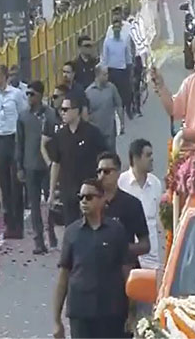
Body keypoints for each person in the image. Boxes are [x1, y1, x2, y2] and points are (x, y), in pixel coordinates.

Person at [53, 179, 129, 339]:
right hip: (81, 313)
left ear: (102, 199)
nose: (84, 201)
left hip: (111, 313)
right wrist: (56, 320)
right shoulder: (72, 233)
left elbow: (127, 273)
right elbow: (64, 276)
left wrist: (133, 312)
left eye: (89, 197)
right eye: (81, 197)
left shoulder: (117, 231)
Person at [49, 94, 107, 226]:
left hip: (90, 191)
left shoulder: (93, 133)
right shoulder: (60, 135)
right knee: (71, 228)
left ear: (76, 111)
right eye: (61, 110)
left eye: (65, 109)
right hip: (68, 191)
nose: (62, 113)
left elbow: (104, 159)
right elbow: (56, 163)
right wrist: (52, 192)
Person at [16, 81, 58, 253]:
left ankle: (52, 233)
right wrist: (19, 166)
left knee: (51, 202)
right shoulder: (23, 116)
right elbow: (20, 142)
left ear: (40, 95)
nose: (29, 97)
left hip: (47, 166)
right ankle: (38, 241)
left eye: (32, 94)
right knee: (34, 205)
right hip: (30, 165)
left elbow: (56, 140)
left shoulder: (50, 115)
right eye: (27, 94)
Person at [97, 152, 150, 269]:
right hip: (97, 270)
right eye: (99, 171)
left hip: (125, 269)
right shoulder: (92, 202)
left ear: (117, 173)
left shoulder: (132, 204)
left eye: (107, 171)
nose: (102, 175)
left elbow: (145, 245)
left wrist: (121, 247)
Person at [119, 139, 162, 270]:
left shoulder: (155, 184)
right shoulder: (121, 183)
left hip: (152, 257)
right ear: (136, 158)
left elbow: (158, 220)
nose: (152, 159)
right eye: (148, 155)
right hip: (128, 257)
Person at [0, 65, 27, 239]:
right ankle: (9, 223)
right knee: (4, 183)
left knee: (15, 182)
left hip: (13, 138)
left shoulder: (15, 94)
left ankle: (18, 225)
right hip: (0, 139)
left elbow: (23, 116)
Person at [86, 64, 124, 152]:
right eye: (105, 74)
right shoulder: (88, 93)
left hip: (109, 132)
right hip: (95, 133)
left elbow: (119, 105)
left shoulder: (111, 88)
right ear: (98, 75)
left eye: (107, 74)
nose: (107, 76)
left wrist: (121, 122)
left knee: (111, 155)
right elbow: (85, 113)